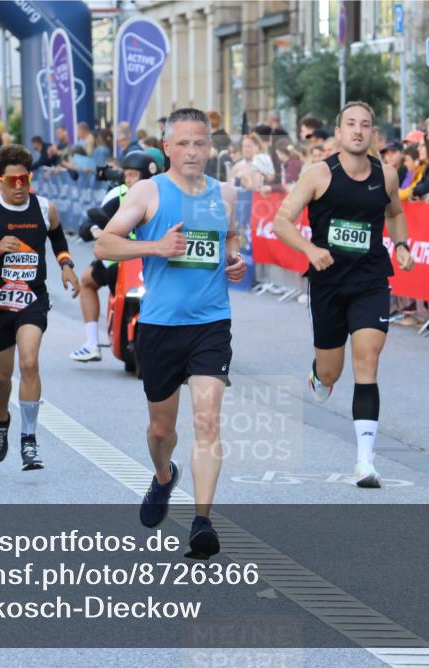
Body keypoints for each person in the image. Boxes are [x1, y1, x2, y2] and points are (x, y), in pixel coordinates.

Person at [94, 108, 247, 559]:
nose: (193, 151)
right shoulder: (147, 191)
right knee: (162, 431)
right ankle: (164, 476)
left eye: (200, 142)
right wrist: (154, 247)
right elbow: (105, 243)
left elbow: (230, 240)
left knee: (207, 421)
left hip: (211, 324)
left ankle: (202, 522)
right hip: (160, 325)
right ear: (167, 149)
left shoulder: (227, 194)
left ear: (210, 146)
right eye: (183, 143)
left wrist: (234, 261)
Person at [272, 101, 415, 489]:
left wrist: (401, 244)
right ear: (338, 133)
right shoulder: (318, 173)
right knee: (333, 370)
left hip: (370, 279)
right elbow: (281, 221)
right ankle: (320, 374)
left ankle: (365, 461)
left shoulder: (385, 174)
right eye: (350, 124)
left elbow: (396, 212)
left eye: (365, 125)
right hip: (328, 282)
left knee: (367, 359)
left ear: (373, 134)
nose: (357, 130)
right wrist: (310, 249)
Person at [0, 144, 81, 471]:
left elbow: (57, 237)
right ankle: (2, 420)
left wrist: (65, 265)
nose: (19, 186)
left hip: (31, 297)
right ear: (0, 181)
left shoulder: (44, 208)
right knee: (1, 376)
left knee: (29, 362)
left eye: (24, 179)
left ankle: (29, 439)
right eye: (12, 181)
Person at [70, 151, 159, 362]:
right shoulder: (118, 193)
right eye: (126, 175)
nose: (128, 180)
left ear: (146, 175)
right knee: (86, 280)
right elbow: (88, 223)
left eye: (133, 175)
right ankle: (92, 343)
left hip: (155, 259)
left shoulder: (162, 195)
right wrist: (94, 230)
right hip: (122, 260)